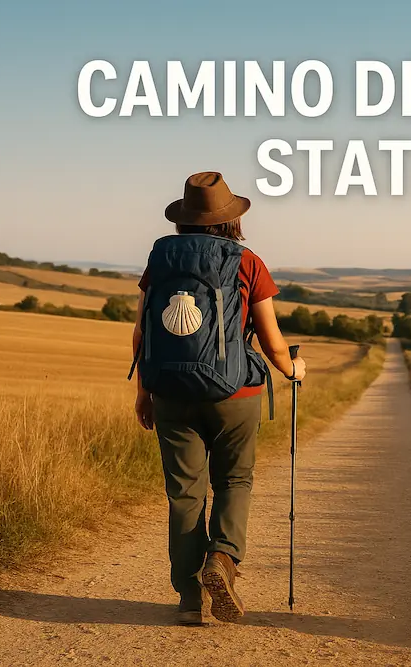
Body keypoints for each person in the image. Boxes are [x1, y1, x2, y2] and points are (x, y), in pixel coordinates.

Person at [131, 171, 307, 625]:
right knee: (233, 481)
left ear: (184, 219)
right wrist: (293, 369)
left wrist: (144, 391)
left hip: (169, 391)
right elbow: (270, 341)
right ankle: (223, 560)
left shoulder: (160, 260)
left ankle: (190, 600)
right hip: (235, 392)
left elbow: (143, 331)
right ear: (231, 219)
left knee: (185, 494)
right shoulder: (248, 262)